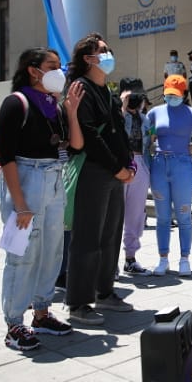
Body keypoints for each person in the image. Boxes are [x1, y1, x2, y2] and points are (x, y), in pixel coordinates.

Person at [0, 48, 84, 352]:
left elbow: (74, 145)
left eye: (60, 67)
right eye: (52, 66)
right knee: (21, 254)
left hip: (54, 178)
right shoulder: (15, 103)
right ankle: (13, 323)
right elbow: (5, 157)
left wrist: (71, 112)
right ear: (33, 70)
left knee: (51, 250)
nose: (59, 72)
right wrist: (20, 204)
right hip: (24, 179)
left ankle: (42, 313)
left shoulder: (55, 108)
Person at [65, 34, 135, 323]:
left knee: (110, 235)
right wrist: (115, 167)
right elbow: (90, 135)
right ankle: (79, 303)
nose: (108, 54)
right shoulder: (80, 87)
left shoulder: (105, 90)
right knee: (87, 239)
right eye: (102, 51)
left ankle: (104, 292)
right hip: (94, 171)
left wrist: (128, 164)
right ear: (88, 58)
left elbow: (117, 132)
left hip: (113, 173)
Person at [144, 74, 192, 276]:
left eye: (176, 94)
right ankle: (163, 259)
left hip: (182, 165)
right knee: (162, 216)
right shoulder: (155, 112)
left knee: (183, 215)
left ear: (184, 93)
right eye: (168, 94)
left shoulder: (191, 113)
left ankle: (184, 258)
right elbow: (145, 132)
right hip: (160, 163)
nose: (172, 98)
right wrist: (150, 144)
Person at [118, 86, 154, 277]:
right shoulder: (117, 115)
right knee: (114, 216)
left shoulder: (145, 118)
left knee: (135, 215)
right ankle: (109, 263)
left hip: (140, 162)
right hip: (121, 164)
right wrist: (122, 108)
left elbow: (151, 137)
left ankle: (130, 259)